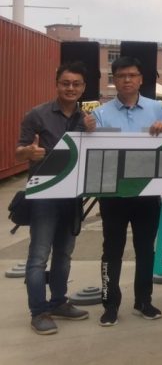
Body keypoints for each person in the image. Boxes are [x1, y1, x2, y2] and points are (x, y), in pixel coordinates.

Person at [16, 62, 95, 335]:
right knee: (39, 255)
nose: (71, 88)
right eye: (66, 83)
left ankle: (59, 302)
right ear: (57, 84)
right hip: (44, 195)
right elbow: (19, 151)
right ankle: (39, 312)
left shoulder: (86, 119)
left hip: (72, 195)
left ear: (83, 87)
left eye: (76, 84)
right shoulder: (36, 115)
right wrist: (28, 153)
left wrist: (92, 131)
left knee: (64, 253)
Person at [94, 56, 162, 327]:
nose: (127, 80)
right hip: (112, 194)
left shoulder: (157, 109)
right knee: (111, 250)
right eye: (121, 75)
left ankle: (144, 301)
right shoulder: (100, 114)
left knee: (146, 250)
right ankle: (110, 304)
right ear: (114, 80)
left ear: (140, 79)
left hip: (147, 193)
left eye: (132, 75)